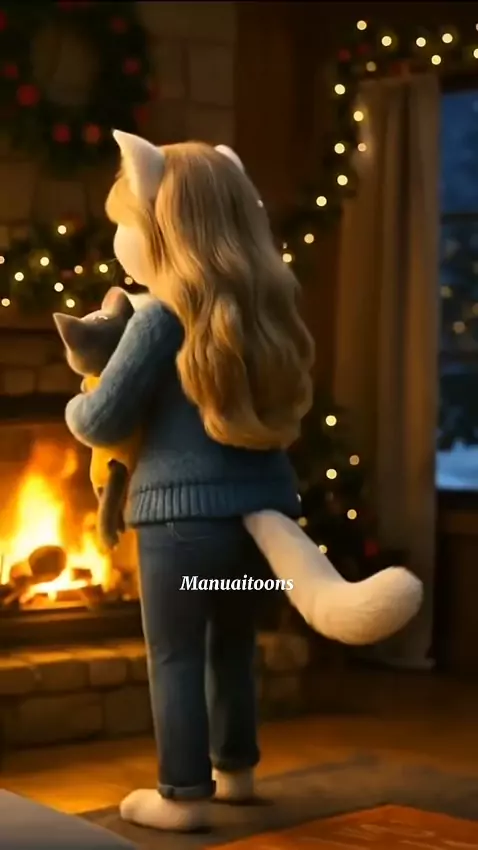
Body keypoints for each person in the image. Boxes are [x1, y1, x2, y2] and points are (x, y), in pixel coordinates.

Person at [64, 131, 422, 833]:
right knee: (231, 644)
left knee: (175, 653)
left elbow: (103, 420)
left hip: (180, 526)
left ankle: (182, 796)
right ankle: (236, 773)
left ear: (162, 226)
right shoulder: (262, 309)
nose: (119, 244)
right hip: (258, 523)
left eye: (125, 225)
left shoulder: (159, 317)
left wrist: (79, 403)